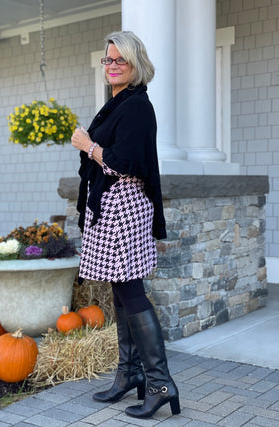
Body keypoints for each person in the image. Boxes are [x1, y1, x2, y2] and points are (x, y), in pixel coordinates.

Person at [71, 30, 180, 419]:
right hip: (113, 207)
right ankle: (130, 373)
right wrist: (91, 147)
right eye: (107, 60)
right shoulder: (116, 104)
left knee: (131, 290)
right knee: (121, 291)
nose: (111, 66)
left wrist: (89, 146)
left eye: (120, 61)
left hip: (125, 208)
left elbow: (121, 162)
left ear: (136, 66)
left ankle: (159, 382)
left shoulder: (136, 106)